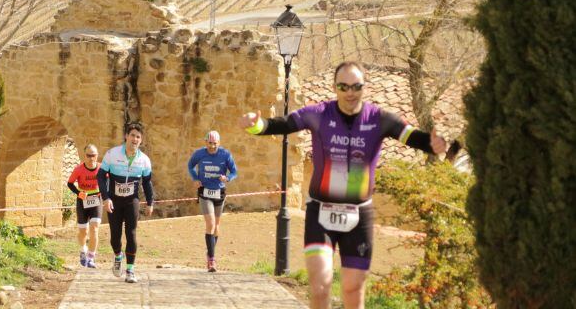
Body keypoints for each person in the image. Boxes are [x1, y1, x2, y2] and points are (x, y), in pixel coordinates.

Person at [239, 61, 446, 309]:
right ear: (335, 88)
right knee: (320, 285)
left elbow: (411, 136)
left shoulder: (379, 119)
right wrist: (256, 125)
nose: (350, 92)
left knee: (353, 289)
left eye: (356, 86)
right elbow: (283, 124)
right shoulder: (318, 114)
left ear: (364, 87)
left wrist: (433, 144)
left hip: (359, 215)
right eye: (343, 86)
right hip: (320, 212)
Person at [97, 122, 154, 283]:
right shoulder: (112, 154)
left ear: (141, 140)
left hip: (132, 200)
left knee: (131, 233)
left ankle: (130, 270)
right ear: (126, 136)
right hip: (114, 200)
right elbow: (101, 176)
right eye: (132, 135)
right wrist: (106, 198)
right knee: (115, 236)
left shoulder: (144, 160)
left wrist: (150, 202)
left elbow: (147, 182)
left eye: (138, 137)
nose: (135, 139)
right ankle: (118, 255)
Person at [186, 130, 237, 273]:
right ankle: (212, 259)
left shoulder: (225, 155)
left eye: (215, 144)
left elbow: (234, 171)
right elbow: (190, 165)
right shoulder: (200, 154)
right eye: (210, 143)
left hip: (219, 192)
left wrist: (227, 178)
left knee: (217, 226)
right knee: (211, 224)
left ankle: (210, 251)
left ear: (219, 143)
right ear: (205, 142)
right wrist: (195, 178)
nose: (212, 146)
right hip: (205, 192)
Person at [66, 144, 103, 268]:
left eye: (93, 155)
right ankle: (83, 250)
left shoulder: (101, 168)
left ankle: (91, 257)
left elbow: (108, 181)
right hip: (82, 201)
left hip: (97, 200)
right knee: (83, 231)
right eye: (88, 155)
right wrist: (78, 193)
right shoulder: (78, 169)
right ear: (84, 156)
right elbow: (70, 183)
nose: (91, 158)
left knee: (95, 228)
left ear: (97, 156)